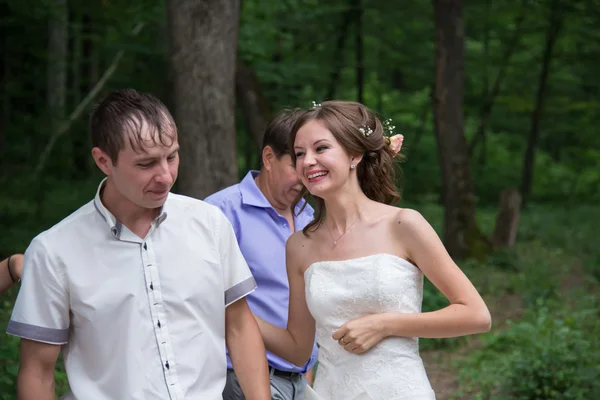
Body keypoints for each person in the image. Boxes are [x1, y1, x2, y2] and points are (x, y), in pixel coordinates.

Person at [6, 88, 271, 400]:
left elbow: (239, 326)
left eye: (172, 156)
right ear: (103, 160)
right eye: (146, 164)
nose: (165, 176)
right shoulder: (54, 251)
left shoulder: (210, 223)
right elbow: (37, 371)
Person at [254, 101, 492, 400]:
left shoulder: (403, 224)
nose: (307, 161)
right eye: (300, 154)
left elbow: (476, 315)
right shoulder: (299, 246)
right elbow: (298, 348)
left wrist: (385, 324)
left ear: (354, 154)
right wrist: (233, 312)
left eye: (321, 148)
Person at [206, 109, 319, 400]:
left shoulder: (309, 216)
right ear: (269, 158)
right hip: (244, 382)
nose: (305, 178)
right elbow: (203, 302)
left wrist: (303, 371)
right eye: (296, 165)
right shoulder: (220, 213)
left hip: (300, 381)